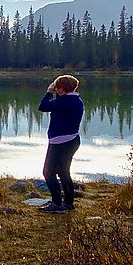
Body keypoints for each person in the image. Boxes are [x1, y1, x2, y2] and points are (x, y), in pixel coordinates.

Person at [37, 74, 83, 213]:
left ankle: (57, 204)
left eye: (57, 88)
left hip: (60, 142)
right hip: (72, 140)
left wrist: (49, 92)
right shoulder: (76, 99)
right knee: (63, 172)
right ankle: (68, 203)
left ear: (62, 89)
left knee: (48, 172)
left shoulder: (64, 101)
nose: (55, 90)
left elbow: (43, 106)